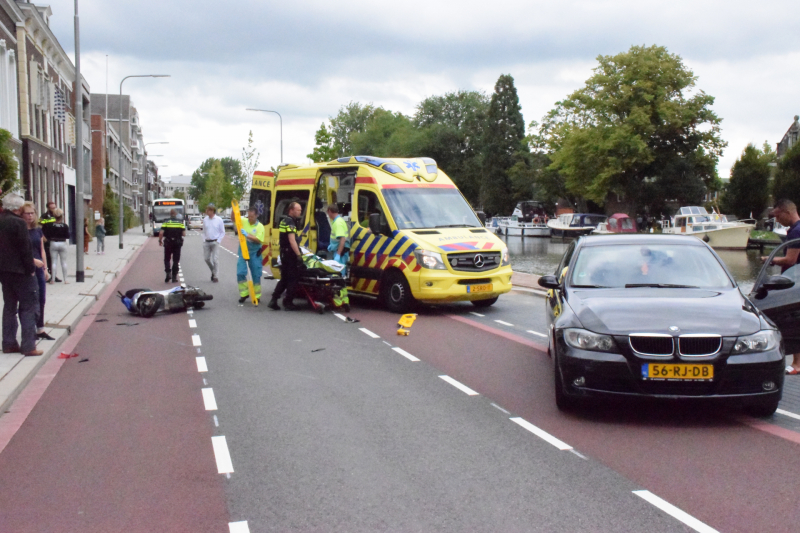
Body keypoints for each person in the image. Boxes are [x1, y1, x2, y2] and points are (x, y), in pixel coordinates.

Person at [0, 193, 42, 356]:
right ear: (18, 208)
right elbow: (25, 249)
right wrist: (31, 269)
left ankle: (9, 343)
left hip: (4, 272)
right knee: (28, 307)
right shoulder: (18, 223)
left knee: (9, 306)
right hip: (21, 272)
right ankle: (28, 346)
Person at [762, 199, 800, 375]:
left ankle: (797, 364)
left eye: (778, 216)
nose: (777, 220)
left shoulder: (796, 232)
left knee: (793, 320)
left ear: (786, 212)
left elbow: (791, 260)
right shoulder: (796, 230)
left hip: (795, 282)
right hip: (795, 280)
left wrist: (769, 260)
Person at [21, 203, 54, 341]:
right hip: (25, 268)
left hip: (39, 268)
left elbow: (42, 250)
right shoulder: (20, 230)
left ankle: (40, 328)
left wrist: (45, 269)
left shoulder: (37, 230)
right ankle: (28, 329)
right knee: (28, 300)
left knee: (41, 298)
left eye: (32, 213)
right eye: (27, 213)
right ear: (22, 215)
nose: (30, 216)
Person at [268, 201, 303, 311]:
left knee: (284, 278)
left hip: (284, 253)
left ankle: (274, 299)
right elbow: (292, 241)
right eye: (298, 210)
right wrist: (299, 255)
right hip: (290, 254)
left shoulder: (284, 220)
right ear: (291, 210)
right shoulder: (291, 223)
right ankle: (288, 302)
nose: (300, 212)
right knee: (293, 278)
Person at [236, 206, 265, 304]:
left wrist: (247, 235)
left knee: (256, 274)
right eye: (248, 216)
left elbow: (259, 240)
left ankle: (257, 295)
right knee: (240, 272)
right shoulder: (244, 221)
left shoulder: (260, 226)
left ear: (256, 216)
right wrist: (234, 211)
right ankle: (244, 294)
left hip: (254, 253)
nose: (249, 218)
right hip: (243, 251)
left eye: (252, 216)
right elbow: (234, 218)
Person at [159, 209, 185, 283]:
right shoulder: (180, 222)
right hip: (177, 243)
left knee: (167, 259)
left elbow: (161, 233)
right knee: (176, 260)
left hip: (168, 243)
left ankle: (168, 273)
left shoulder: (166, 221)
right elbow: (184, 234)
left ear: (170, 214)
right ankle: (174, 277)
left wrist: (160, 240)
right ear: (176, 214)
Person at [202, 203, 225, 282]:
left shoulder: (219, 220)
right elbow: (204, 231)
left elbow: (222, 232)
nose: (207, 211)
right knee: (206, 259)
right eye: (207, 210)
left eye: (208, 210)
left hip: (215, 242)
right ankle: (213, 271)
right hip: (207, 242)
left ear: (212, 211)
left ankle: (215, 276)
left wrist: (218, 241)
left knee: (215, 259)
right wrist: (204, 239)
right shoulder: (205, 220)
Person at [48, 209, 70, 284]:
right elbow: (68, 236)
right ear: (62, 216)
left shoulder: (50, 225)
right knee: (63, 262)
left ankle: (53, 279)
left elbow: (48, 235)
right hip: (62, 243)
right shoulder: (65, 226)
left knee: (53, 261)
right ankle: (66, 279)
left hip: (53, 242)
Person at [326, 204, 350, 272]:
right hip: (340, 250)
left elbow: (342, 239)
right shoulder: (339, 220)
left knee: (339, 272)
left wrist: (338, 254)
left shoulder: (337, 223)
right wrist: (332, 245)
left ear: (329, 211)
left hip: (341, 252)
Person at [40, 200, 57, 281]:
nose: (54, 209)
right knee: (48, 257)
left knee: (54, 258)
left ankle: (54, 275)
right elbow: (40, 225)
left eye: (54, 207)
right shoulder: (44, 216)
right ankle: (48, 274)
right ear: (48, 208)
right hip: (47, 239)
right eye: (52, 208)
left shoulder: (57, 215)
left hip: (55, 239)